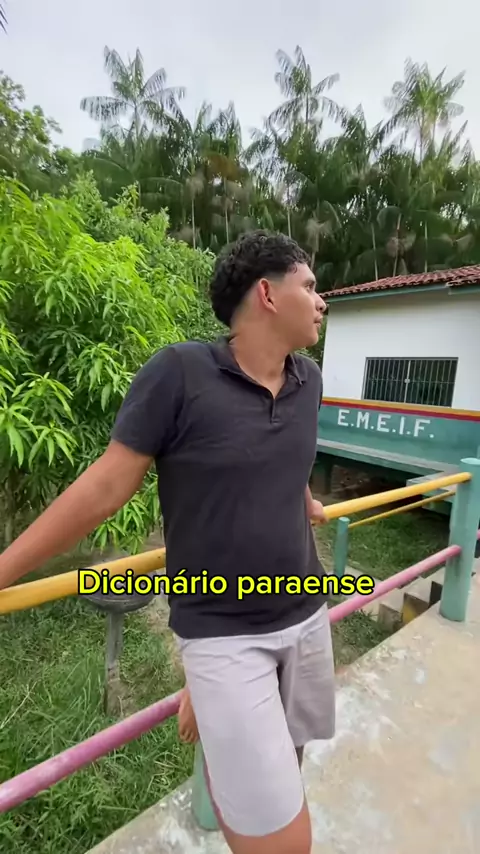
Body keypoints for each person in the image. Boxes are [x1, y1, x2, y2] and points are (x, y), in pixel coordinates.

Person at [0, 230, 333, 854]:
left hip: (306, 612)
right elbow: (106, 487)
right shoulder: (180, 374)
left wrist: (305, 498)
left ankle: (218, 727)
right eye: (310, 286)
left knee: (290, 761)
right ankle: (213, 702)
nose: (321, 300)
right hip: (223, 631)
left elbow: (287, 456)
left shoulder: (308, 379)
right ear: (267, 294)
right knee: (284, 842)